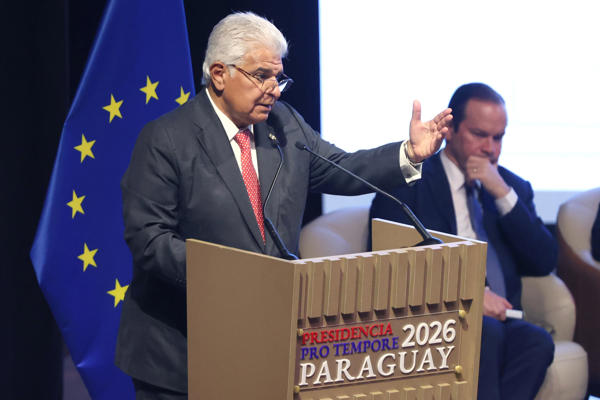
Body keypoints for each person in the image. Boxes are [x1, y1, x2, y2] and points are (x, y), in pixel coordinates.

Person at [115, 11, 453, 399]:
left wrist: (410, 153)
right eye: (261, 76)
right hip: (182, 353)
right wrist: (232, 278)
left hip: (264, 346)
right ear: (220, 74)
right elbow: (150, 240)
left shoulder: (284, 125)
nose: (274, 90)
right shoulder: (167, 139)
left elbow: (341, 167)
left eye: (278, 78)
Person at [370, 82, 555, 400]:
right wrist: (470, 296)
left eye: (498, 138)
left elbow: (544, 260)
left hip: (503, 317)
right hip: (437, 318)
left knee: (536, 342)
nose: (490, 148)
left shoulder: (511, 187)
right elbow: (392, 265)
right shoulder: (408, 184)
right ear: (450, 130)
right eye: (480, 135)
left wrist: (502, 194)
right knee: (486, 334)